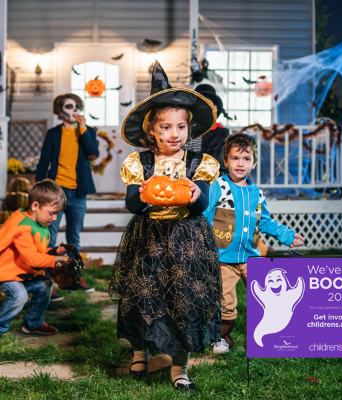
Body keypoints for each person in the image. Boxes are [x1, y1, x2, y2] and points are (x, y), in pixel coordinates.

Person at [108, 61, 222, 393]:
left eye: (180, 127)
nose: (174, 134)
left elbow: (201, 205)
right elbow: (131, 204)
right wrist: (142, 196)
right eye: (166, 127)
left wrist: (197, 192)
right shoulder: (139, 162)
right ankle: (140, 353)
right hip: (148, 238)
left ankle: (179, 366)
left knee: (184, 300)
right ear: (152, 131)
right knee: (143, 294)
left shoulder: (200, 163)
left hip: (187, 239)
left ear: (189, 129)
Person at [204, 133, 305, 354]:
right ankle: (219, 336)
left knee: (272, 297)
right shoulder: (218, 187)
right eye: (235, 158)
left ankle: (279, 334)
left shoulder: (257, 193)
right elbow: (204, 215)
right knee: (226, 306)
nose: (241, 164)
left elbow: (265, 222)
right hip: (224, 260)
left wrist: (288, 235)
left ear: (254, 163)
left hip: (252, 258)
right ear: (226, 161)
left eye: (246, 159)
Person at [36, 93, 98, 294]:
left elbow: (93, 154)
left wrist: (83, 129)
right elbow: (44, 162)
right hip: (56, 193)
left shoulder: (86, 131)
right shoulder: (54, 133)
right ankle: (47, 284)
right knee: (50, 238)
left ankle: (73, 280)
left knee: (73, 238)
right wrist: (39, 190)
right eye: (69, 107)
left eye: (76, 106)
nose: (73, 110)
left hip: (78, 193)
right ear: (60, 111)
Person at [0, 180, 69, 337]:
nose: (54, 218)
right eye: (51, 213)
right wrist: (56, 260)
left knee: (44, 285)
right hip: (6, 273)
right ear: (35, 206)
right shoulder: (23, 228)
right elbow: (33, 259)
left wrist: (53, 251)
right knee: (19, 296)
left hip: (20, 271)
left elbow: (37, 250)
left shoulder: (37, 223)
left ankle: (33, 323)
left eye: (57, 214)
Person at [183, 84, 230, 175]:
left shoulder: (220, 132)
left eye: (207, 104)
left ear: (215, 108)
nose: (203, 109)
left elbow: (215, 162)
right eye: (199, 104)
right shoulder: (183, 129)